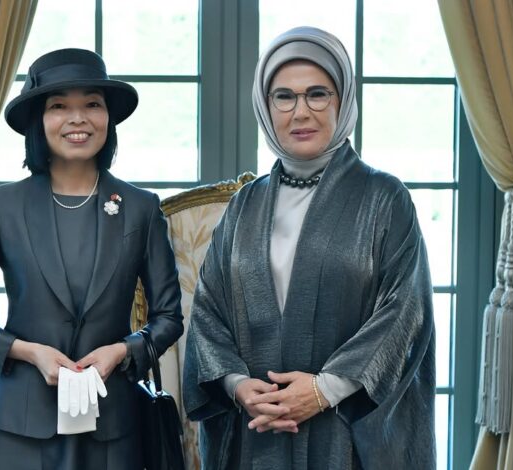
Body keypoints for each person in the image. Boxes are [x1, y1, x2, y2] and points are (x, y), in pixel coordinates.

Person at [183, 27, 435, 469]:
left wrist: (324, 390)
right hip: (256, 429)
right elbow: (208, 310)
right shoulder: (244, 205)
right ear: (266, 107)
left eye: (317, 94)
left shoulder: (385, 199)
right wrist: (237, 385)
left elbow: (404, 314)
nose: (301, 112)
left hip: (344, 433)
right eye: (284, 97)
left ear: (343, 101)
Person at [0, 48, 183, 469]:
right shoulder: (4, 206)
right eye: (59, 106)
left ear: (108, 117)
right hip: (20, 426)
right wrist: (28, 351)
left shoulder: (141, 208)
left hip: (113, 425)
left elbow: (169, 317)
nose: (78, 118)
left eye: (92, 104)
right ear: (39, 119)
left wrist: (121, 351)